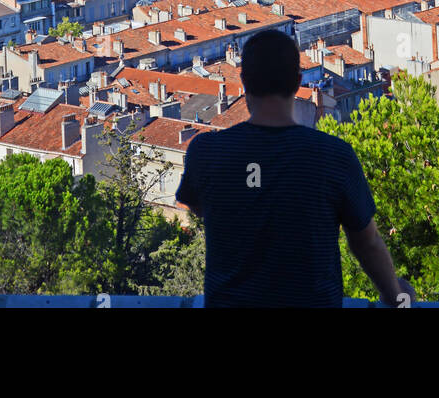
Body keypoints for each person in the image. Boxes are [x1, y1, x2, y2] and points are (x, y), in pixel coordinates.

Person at [176, 27, 416, 309]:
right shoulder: (334, 156)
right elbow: (366, 243)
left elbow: (202, 208)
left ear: (243, 81)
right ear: (298, 82)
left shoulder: (205, 152)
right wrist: (396, 295)